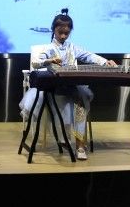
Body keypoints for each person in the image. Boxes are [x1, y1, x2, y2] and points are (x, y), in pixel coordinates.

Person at [19, 8, 117, 161]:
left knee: (81, 102)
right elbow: (36, 63)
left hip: (70, 86)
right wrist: (49, 60)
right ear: (54, 30)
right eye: (60, 33)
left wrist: (105, 62)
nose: (63, 36)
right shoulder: (49, 49)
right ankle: (66, 139)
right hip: (54, 88)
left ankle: (80, 145)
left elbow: (89, 56)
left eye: (67, 33)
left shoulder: (72, 47)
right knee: (68, 102)